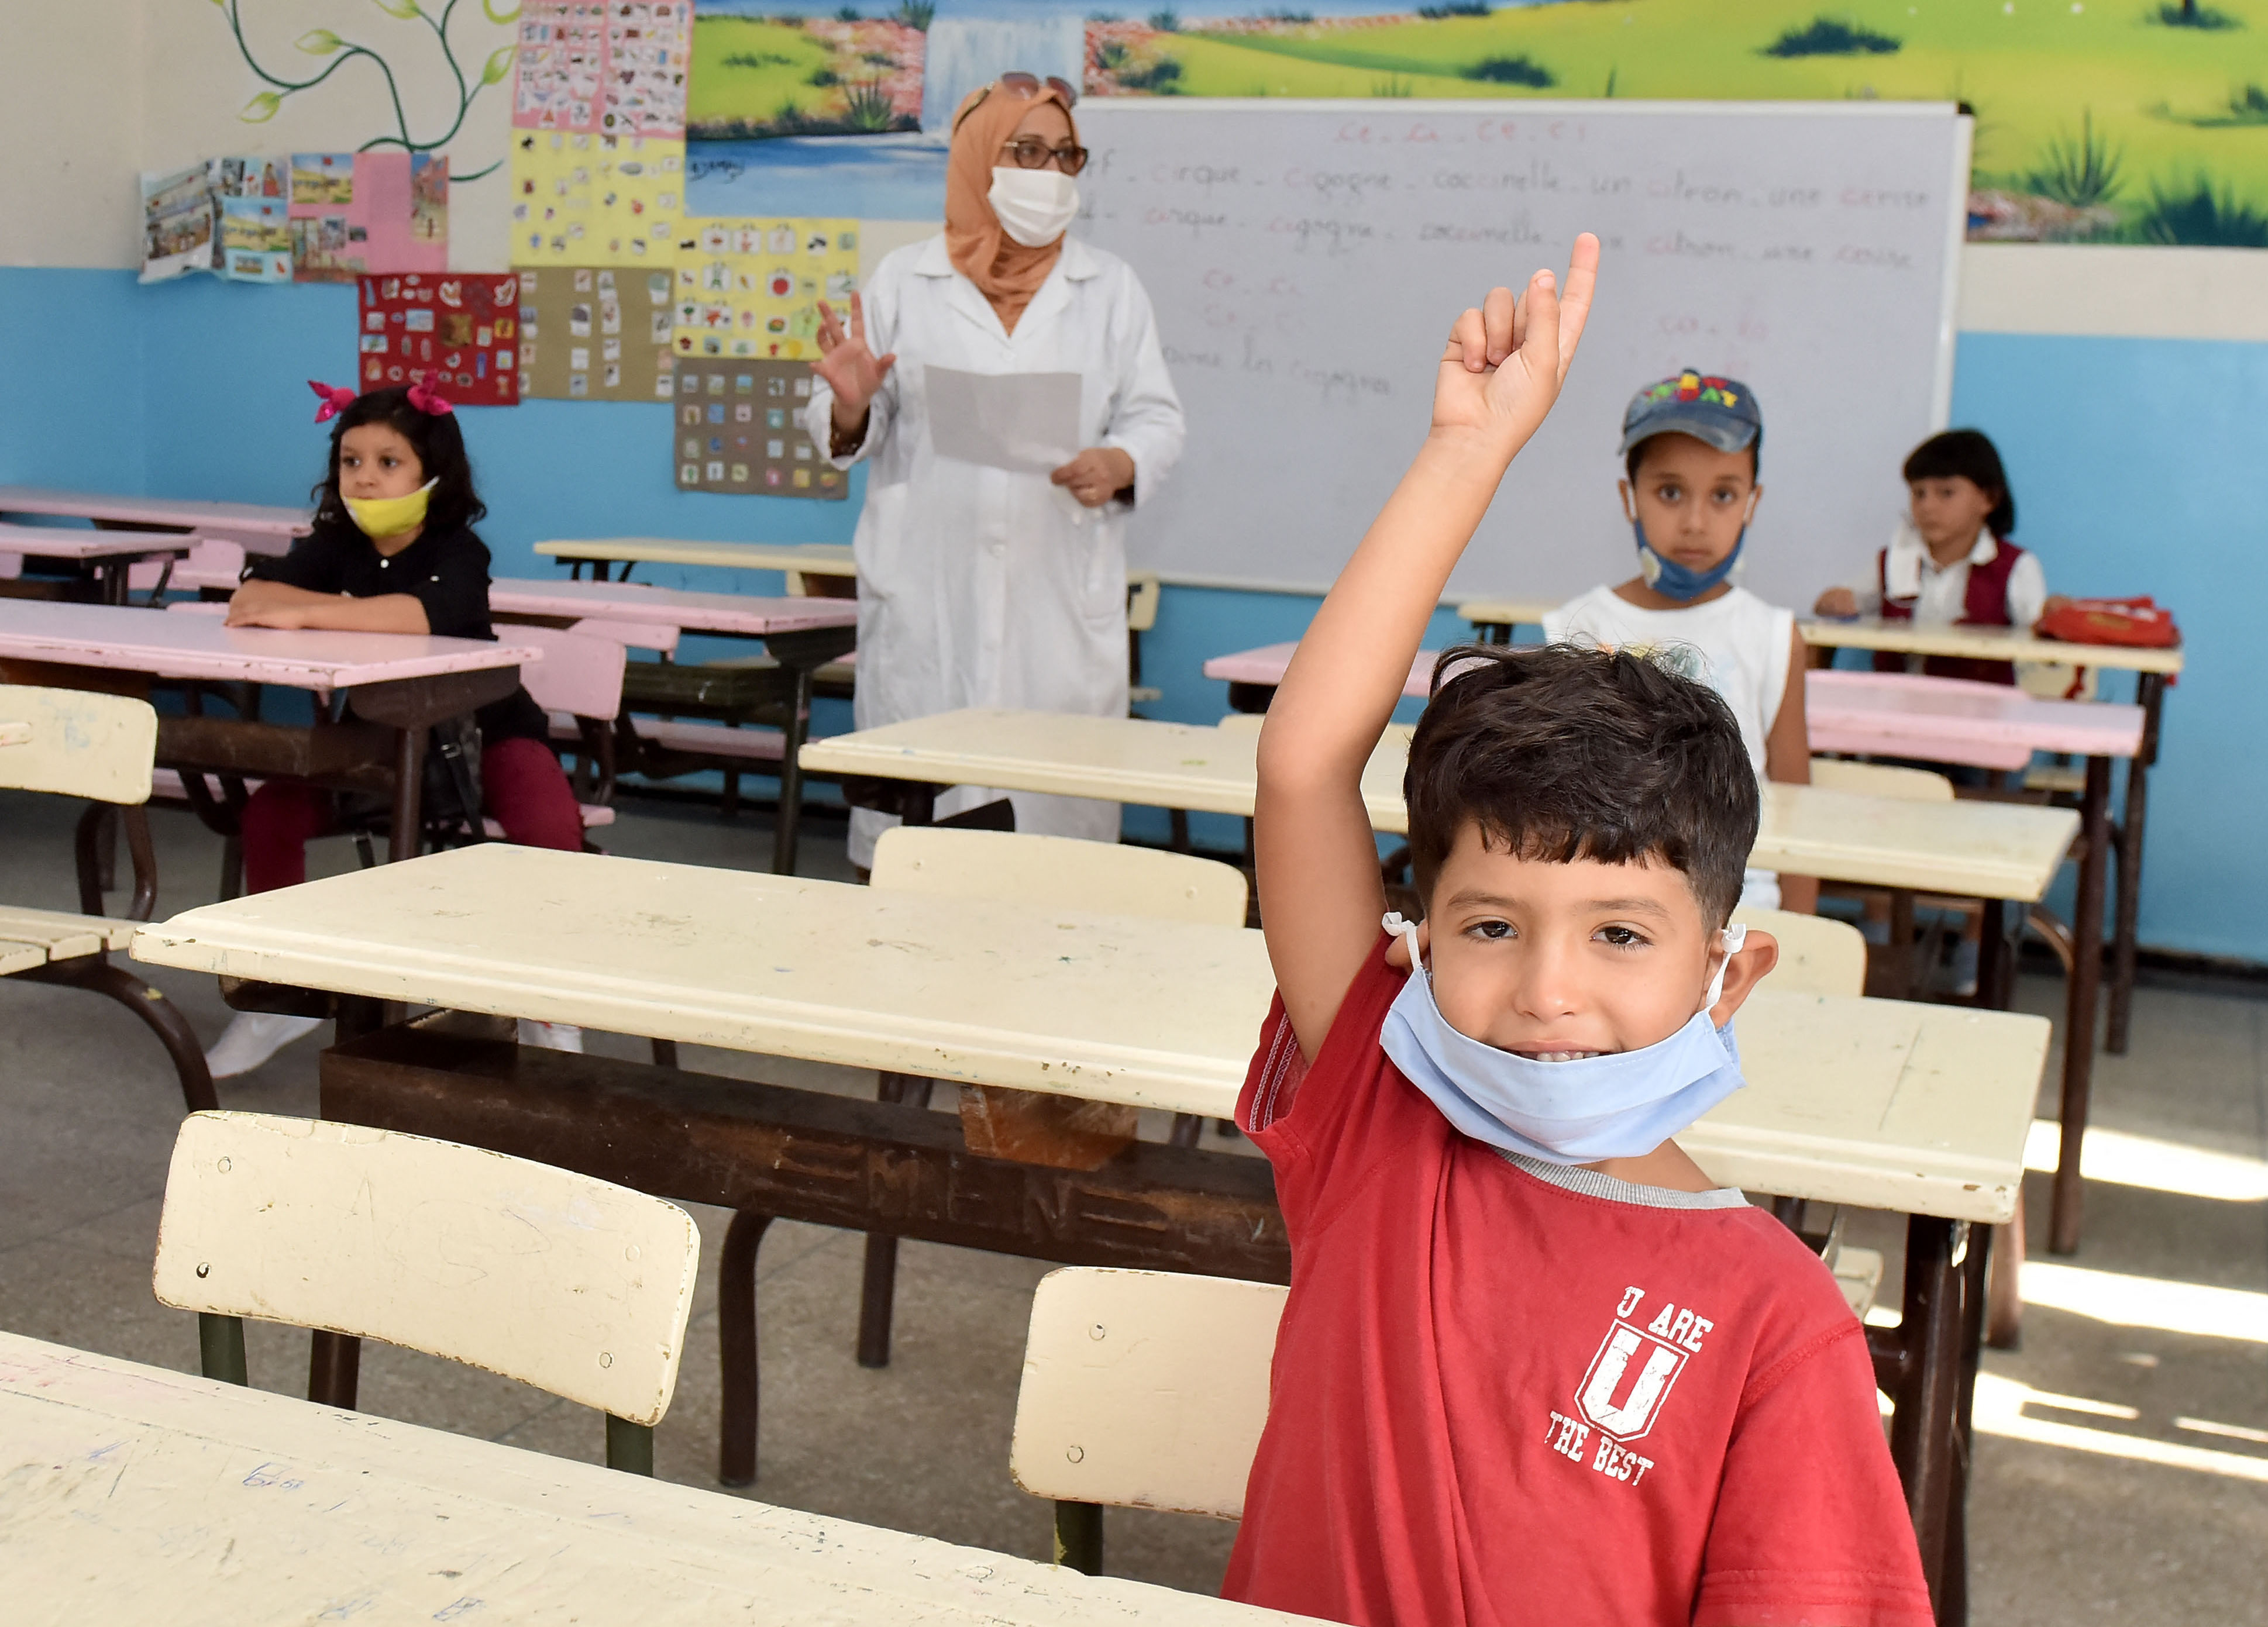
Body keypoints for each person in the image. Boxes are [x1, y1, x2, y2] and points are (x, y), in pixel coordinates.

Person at [1230, 239, 1933, 1626]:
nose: (1545, 990)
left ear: (1729, 972)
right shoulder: (1376, 1106)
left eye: (1618, 935)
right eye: (1489, 923)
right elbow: (1302, 768)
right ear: (1408, 941)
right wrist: (1464, 455)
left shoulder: (1771, 1318)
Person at [804, 72, 1185, 870]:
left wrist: (1119, 461)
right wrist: (849, 405)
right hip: (928, 593)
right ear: (978, 156)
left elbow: (1157, 416)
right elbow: (846, 432)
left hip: (1059, 598)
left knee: (1052, 862)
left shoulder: (1109, 288)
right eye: (1026, 151)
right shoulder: (906, 281)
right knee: (917, 855)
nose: (1048, 173)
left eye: (1065, 154)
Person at [202, 380, 586, 1078]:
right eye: (351, 461)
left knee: (552, 830)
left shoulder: (460, 549)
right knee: (270, 816)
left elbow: (422, 616)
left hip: (484, 729)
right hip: (376, 734)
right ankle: (279, 998)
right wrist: (308, 604)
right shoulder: (333, 543)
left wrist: (309, 611)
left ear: (431, 472)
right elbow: (252, 599)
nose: (367, 479)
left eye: (388, 462)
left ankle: (549, 1005)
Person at [1545, 370, 1814, 914]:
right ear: (1630, 497)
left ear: (1751, 502)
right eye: (1670, 492)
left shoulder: (1772, 634)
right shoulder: (1577, 627)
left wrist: (1802, 931)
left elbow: (1795, 804)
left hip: (1741, 899)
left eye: (1722, 494)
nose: (1695, 522)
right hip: (1607, 896)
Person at [1813, 428, 2064, 685]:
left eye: (1946, 493)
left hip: (1980, 710)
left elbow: (2043, 637)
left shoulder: (2016, 567)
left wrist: (2054, 619)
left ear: (1988, 499)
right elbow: (1845, 603)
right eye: (1918, 494)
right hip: (1894, 702)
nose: (1927, 506)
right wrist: (1833, 601)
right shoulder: (1894, 561)